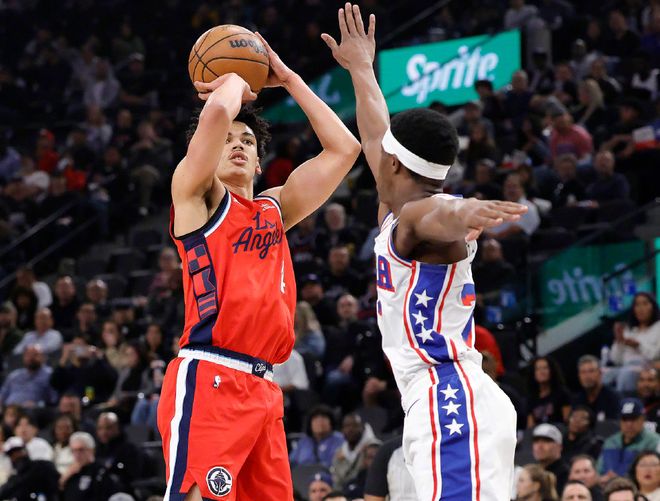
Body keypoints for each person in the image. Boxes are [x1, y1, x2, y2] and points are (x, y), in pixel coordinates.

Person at [322, 5, 525, 499]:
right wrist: (361, 69)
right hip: (439, 397)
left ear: (393, 164)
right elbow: (376, 132)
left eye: (383, 156)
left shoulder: (418, 216)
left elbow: (443, 213)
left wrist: (469, 210)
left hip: (447, 393)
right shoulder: (395, 207)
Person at [157, 28, 360, 501]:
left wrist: (289, 79)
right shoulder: (196, 198)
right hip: (211, 375)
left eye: (248, 141)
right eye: (228, 139)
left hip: (265, 389)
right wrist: (235, 80)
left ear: (258, 164)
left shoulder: (275, 209)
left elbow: (344, 149)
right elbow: (215, 115)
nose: (237, 144)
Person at [604, 292, 660, 393]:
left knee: (627, 373)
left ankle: (623, 401)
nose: (641, 308)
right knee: (601, 374)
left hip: (647, 367)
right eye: (637, 305)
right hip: (624, 366)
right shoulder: (629, 330)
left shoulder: (658, 328)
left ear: (653, 307)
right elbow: (616, 360)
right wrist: (619, 341)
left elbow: (655, 355)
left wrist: (638, 346)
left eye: (645, 304)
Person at [597, 398, 660, 482]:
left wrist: (622, 480)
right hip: (608, 487)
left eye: (633, 419)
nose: (629, 424)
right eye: (625, 419)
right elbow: (598, 470)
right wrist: (601, 479)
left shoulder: (655, 442)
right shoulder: (610, 442)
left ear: (643, 419)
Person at [59, 431, 125, 501]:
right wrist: (63, 480)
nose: (77, 454)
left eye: (81, 450)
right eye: (74, 450)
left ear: (91, 450)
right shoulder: (71, 474)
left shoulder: (101, 472)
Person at [0, 436, 60, 501]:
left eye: (18, 451)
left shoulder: (42, 466)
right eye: (12, 454)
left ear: (25, 450)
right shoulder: (16, 475)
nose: (16, 455)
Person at [0, 344, 57, 408]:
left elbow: (53, 399)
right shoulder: (14, 375)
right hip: (8, 409)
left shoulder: (50, 375)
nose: (31, 358)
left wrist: (38, 405)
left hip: (32, 411)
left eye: (35, 355)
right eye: (28, 355)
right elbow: (2, 395)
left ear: (43, 357)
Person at [573, 355, 621, 422]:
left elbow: (615, 424)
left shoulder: (613, 397)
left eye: (591, 371)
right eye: (583, 372)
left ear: (600, 373)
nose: (587, 376)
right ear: (579, 376)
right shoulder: (577, 400)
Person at [527, 356, 572, 427]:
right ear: (533, 373)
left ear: (551, 371)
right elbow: (530, 427)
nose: (542, 372)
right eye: (538, 369)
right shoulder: (531, 399)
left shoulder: (562, 393)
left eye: (545, 368)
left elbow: (568, 422)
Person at [533, 423, 571, 493]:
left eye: (546, 441)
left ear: (559, 447)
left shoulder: (566, 474)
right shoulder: (532, 473)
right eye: (536, 441)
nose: (540, 446)